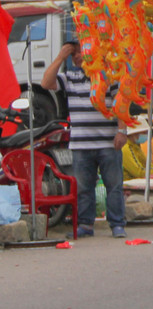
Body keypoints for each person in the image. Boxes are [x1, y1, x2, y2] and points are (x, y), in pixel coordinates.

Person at [41, 40, 126, 238]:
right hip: (81, 144)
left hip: (108, 142)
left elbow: (121, 103)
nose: (77, 56)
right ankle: (85, 225)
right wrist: (60, 57)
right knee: (83, 187)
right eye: (74, 54)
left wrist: (122, 131)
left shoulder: (109, 76)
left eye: (80, 52)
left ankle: (117, 224)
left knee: (114, 186)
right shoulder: (70, 78)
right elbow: (46, 83)